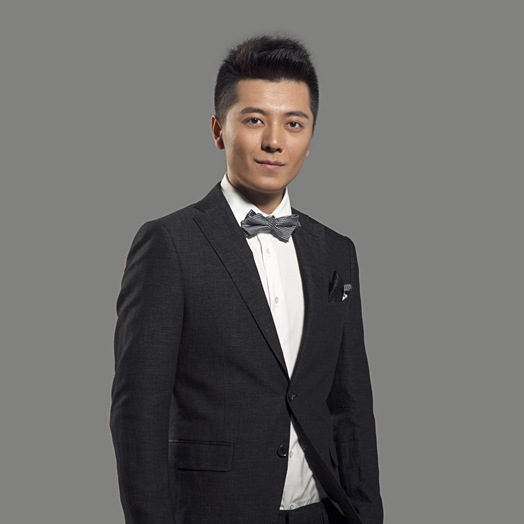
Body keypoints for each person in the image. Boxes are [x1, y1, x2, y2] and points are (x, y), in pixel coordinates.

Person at [110, 35, 383, 524]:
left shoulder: (336, 250)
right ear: (219, 130)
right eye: (255, 120)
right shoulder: (169, 244)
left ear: (310, 136)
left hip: (322, 514)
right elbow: (138, 415)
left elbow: (351, 405)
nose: (275, 141)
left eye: (293, 123)